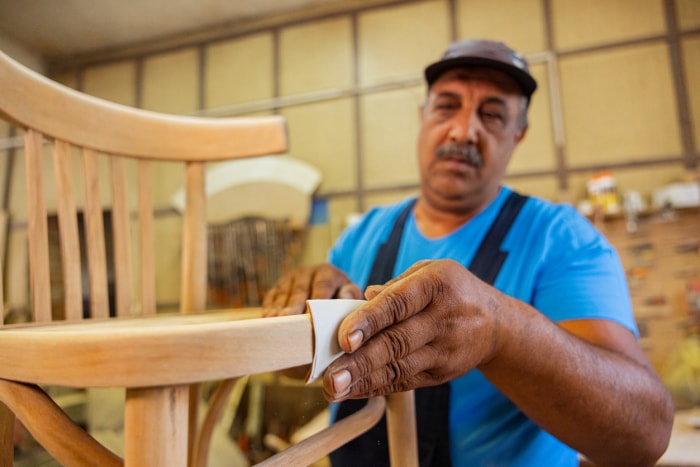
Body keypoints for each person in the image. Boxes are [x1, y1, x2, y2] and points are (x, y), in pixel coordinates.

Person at [263, 38, 674, 466]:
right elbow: (295, 370)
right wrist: (294, 320)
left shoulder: (563, 239)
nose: (463, 131)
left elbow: (643, 435)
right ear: (422, 117)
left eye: (492, 115)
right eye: (446, 107)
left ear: (518, 135)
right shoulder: (363, 235)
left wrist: (501, 330)